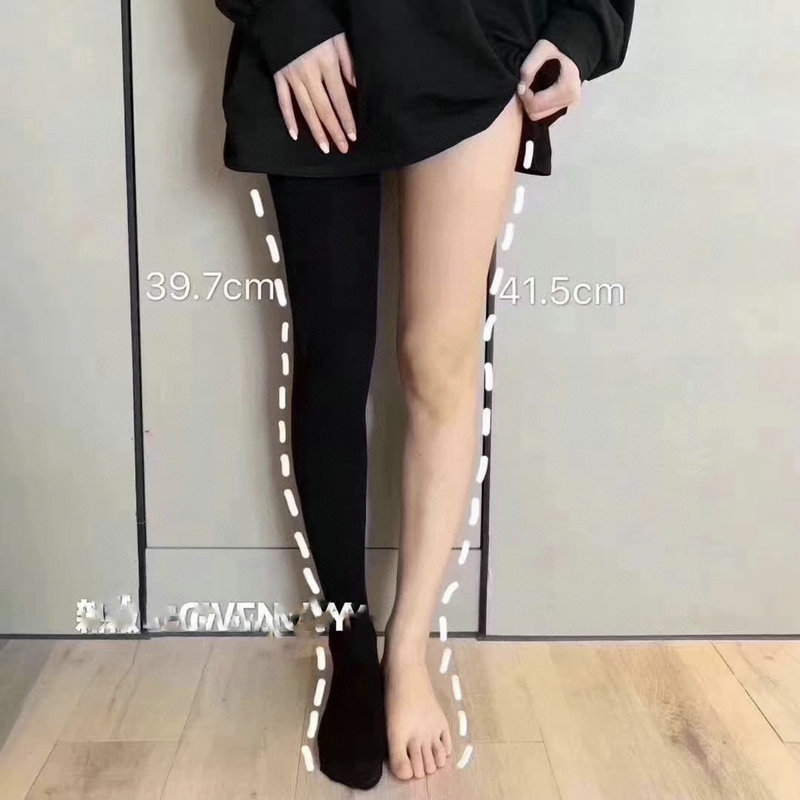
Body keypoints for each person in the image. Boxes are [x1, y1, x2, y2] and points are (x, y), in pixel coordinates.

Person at [215, 0, 634, 789]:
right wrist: (288, 17)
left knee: (438, 363)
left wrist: (582, 31)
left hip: (479, 37)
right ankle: (351, 647)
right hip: (319, 36)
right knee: (333, 359)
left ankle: (408, 651)